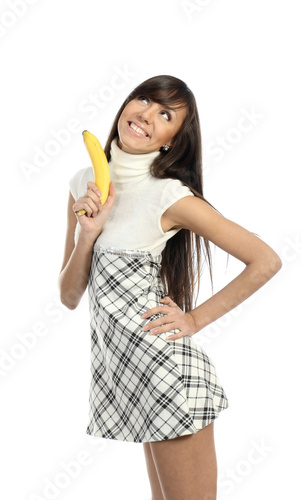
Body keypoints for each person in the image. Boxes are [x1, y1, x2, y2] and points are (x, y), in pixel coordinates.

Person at [58, 75, 282, 500]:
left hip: (168, 377)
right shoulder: (83, 184)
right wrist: (87, 235)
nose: (145, 114)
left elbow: (266, 260)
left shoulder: (168, 196)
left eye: (165, 114)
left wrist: (195, 318)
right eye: (143, 99)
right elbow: (69, 297)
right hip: (132, 377)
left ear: (171, 141)